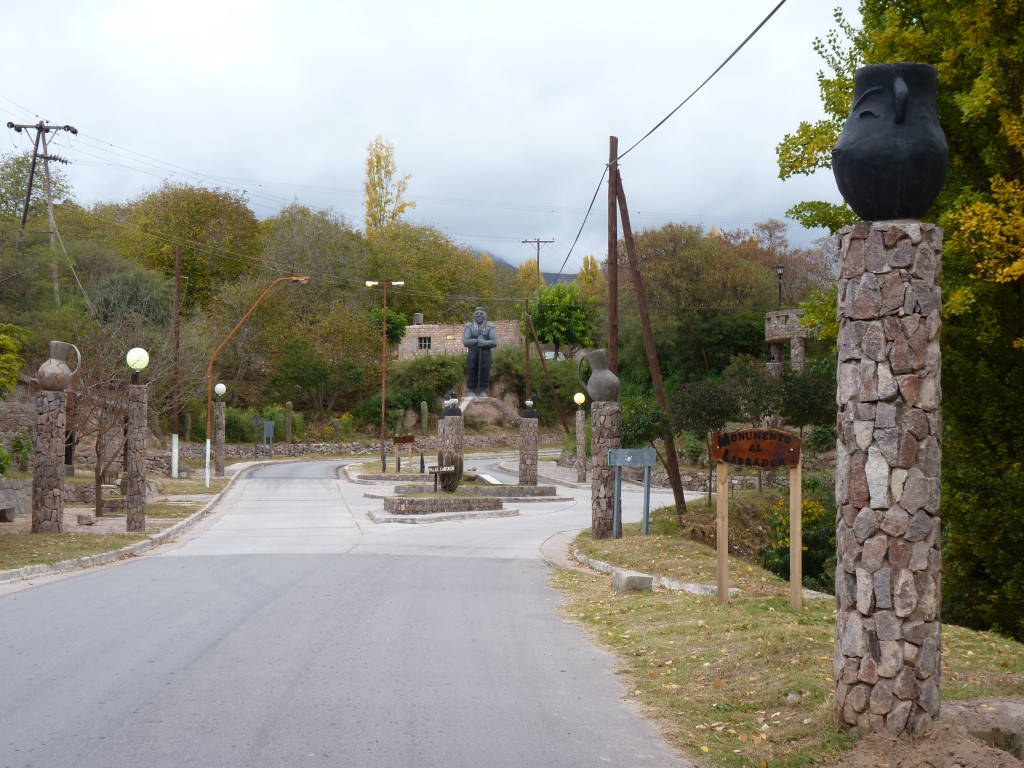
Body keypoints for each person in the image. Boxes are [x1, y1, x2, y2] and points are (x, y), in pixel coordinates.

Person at [462, 307, 497, 397]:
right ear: (473, 315)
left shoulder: (490, 326)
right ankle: (471, 389)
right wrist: (477, 341)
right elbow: (466, 341)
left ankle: (483, 390)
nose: (479, 315)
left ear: (485, 315)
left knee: (485, 369)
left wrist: (485, 343)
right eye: (477, 313)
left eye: (481, 313)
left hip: (485, 353)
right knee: (471, 368)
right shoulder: (469, 326)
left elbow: (494, 342)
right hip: (472, 353)